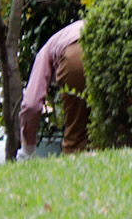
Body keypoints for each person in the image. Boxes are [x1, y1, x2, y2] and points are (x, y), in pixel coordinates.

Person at [19, 20, 86, 156]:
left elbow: (31, 104)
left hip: (76, 53)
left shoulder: (45, 51)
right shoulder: (71, 30)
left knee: (75, 141)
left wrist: (27, 150)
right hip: (108, 43)